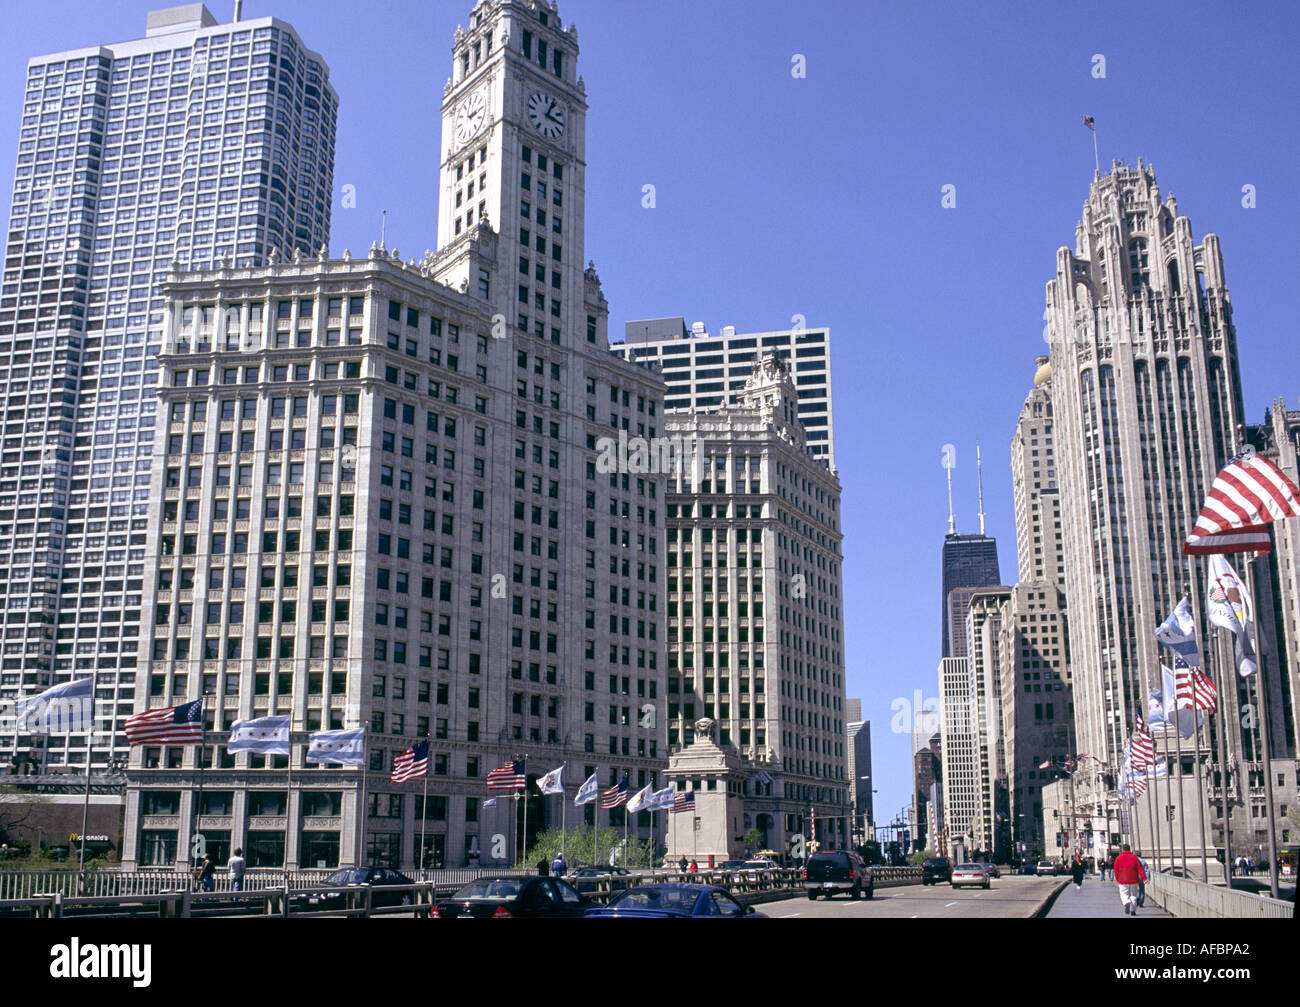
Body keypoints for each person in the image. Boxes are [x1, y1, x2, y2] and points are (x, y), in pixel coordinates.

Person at [1112, 844, 1147, 916]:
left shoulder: (1118, 858)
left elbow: (1116, 870)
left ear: (1123, 850)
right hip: (1134, 880)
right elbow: (1140, 869)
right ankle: (1133, 911)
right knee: (1133, 895)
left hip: (1123, 880)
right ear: (1129, 849)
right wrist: (1144, 878)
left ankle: (1126, 902)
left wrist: (1117, 878)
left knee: (1124, 894)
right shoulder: (1134, 858)